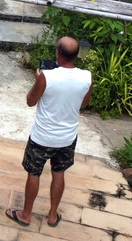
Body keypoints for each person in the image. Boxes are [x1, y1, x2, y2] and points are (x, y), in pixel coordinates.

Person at [5, 36, 92, 228]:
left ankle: (26, 215)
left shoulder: (47, 76)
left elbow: (30, 101)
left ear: (58, 54)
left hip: (42, 137)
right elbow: (84, 103)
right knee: (59, 173)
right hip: (67, 137)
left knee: (34, 174)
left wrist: (38, 80)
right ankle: (53, 214)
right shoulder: (87, 76)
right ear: (76, 55)